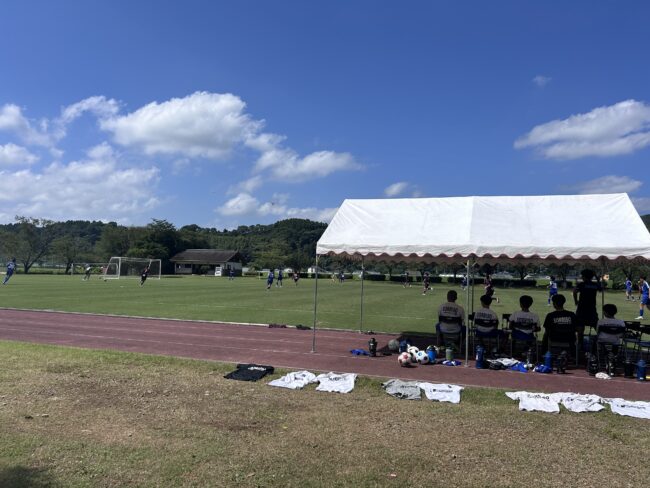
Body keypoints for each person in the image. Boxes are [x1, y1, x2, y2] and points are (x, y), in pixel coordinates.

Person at [573, 269, 601, 348]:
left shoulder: (582, 284)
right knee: (596, 326)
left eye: (582, 276)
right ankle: (601, 341)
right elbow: (601, 288)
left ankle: (580, 344)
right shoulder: (594, 285)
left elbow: (574, 291)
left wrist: (576, 301)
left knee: (580, 327)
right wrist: (597, 278)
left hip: (582, 308)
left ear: (584, 276)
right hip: (592, 308)